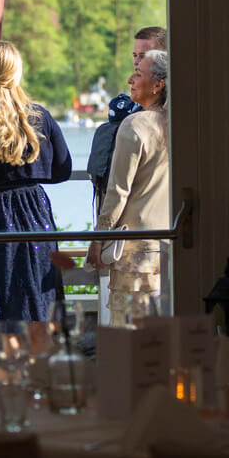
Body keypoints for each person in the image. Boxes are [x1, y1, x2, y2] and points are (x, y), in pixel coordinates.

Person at [0, 41, 73, 382]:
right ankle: (40, 401)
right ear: (17, 71)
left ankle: (8, 402)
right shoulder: (38, 115)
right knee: (39, 318)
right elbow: (62, 170)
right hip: (33, 216)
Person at [90, 49, 170, 318]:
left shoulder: (134, 125)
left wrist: (98, 239)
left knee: (129, 336)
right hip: (170, 245)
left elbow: (117, 192)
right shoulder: (181, 125)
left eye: (138, 74)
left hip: (135, 251)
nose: (129, 80)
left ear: (158, 84)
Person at [87, 25, 166, 212]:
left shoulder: (171, 114)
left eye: (144, 55)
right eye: (134, 55)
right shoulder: (124, 108)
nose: (137, 61)